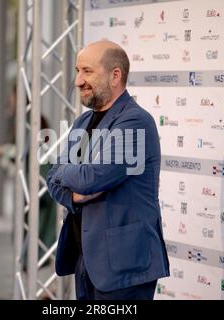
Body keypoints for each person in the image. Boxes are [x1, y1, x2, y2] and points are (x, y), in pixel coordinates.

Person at [46, 41, 170, 300]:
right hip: (87, 261)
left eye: (87, 71)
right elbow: (53, 176)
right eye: (78, 71)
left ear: (115, 75)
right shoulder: (83, 121)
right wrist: (71, 194)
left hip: (125, 266)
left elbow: (92, 178)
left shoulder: (135, 121)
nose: (78, 81)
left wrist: (68, 173)